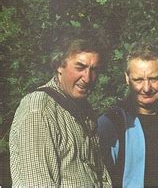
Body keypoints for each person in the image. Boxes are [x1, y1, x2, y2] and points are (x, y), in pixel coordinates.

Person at [9, 37, 112, 187]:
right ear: (59, 66)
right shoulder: (39, 110)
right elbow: (36, 183)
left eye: (94, 69)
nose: (87, 78)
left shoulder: (84, 109)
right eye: (80, 67)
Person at [97, 42, 158, 187]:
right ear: (127, 79)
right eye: (138, 80)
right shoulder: (112, 123)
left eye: (154, 78)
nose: (146, 88)